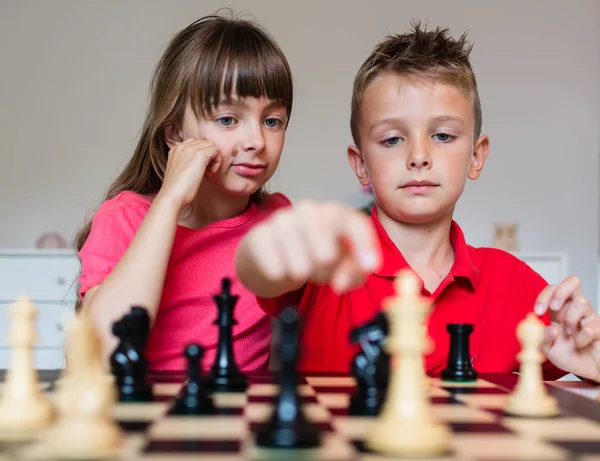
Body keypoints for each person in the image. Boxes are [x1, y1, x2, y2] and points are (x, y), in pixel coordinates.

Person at [235, 22, 600, 381]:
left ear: (476, 156)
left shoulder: (513, 284)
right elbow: (259, 271)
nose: (419, 156)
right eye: (393, 139)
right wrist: (266, 246)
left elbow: (581, 358)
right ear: (360, 164)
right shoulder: (329, 262)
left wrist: (592, 359)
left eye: (442, 135)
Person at [75, 11, 293, 372]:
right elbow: (103, 351)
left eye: (273, 121)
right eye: (227, 119)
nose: (257, 141)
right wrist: (170, 201)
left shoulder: (279, 221)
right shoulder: (125, 218)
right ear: (175, 134)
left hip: (243, 422)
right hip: (146, 421)